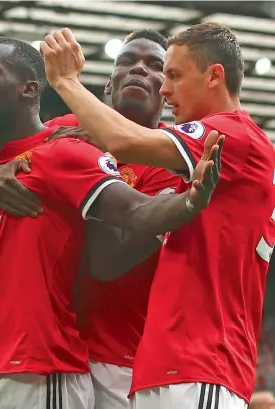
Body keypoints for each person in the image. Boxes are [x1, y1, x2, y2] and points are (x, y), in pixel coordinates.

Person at [0, 36, 221, 409]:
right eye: (126, 61)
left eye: (155, 66)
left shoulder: (170, 167)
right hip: (46, 346)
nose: (139, 68)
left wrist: (83, 181)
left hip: (118, 356)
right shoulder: (66, 129)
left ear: (167, 93)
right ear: (107, 85)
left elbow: (109, 262)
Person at [40, 23, 275, 408]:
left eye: (174, 75)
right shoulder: (197, 162)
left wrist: (66, 81)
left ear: (214, 76)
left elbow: (124, 139)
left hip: (203, 363)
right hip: (163, 366)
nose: (164, 90)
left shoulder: (236, 136)